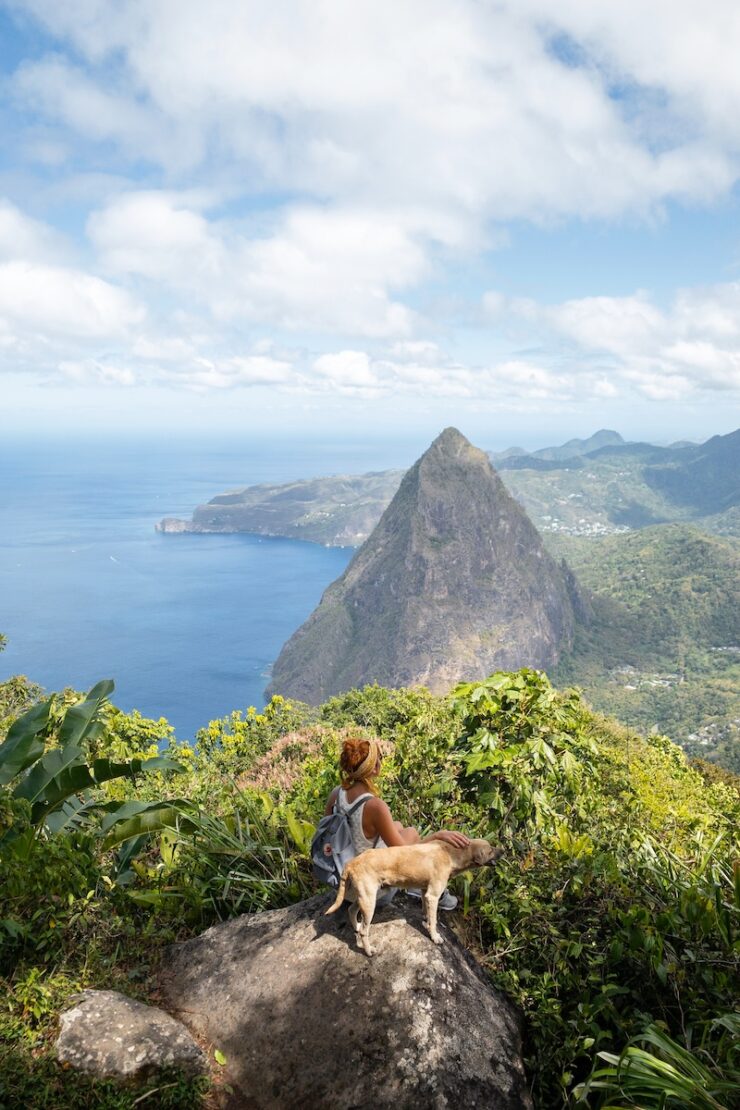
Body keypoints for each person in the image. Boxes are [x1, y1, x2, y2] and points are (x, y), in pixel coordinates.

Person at [323, 735, 470, 910]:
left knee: (398, 826)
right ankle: (420, 887)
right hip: (369, 891)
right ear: (375, 768)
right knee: (411, 833)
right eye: (380, 760)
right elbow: (408, 853)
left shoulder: (336, 794)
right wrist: (438, 835)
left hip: (344, 880)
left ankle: (415, 887)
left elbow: (328, 834)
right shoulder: (374, 806)